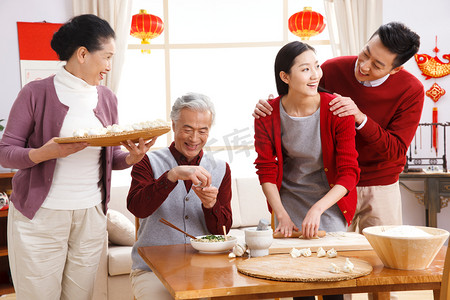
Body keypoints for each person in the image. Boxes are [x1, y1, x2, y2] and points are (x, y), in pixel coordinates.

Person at [0, 14, 156, 300]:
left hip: (90, 216)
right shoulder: (35, 93)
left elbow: (110, 156)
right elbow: (6, 152)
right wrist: (46, 153)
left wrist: (132, 158)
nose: (109, 66)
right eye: (107, 56)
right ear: (82, 53)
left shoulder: (107, 98)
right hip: (41, 217)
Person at [254, 22, 424, 234]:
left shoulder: (411, 90)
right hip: (331, 184)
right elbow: (301, 90)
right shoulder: (332, 69)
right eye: (365, 53)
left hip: (379, 185)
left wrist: (360, 118)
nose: (364, 66)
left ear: (396, 69)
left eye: (377, 65)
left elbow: (396, 151)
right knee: (336, 256)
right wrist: (273, 104)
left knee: (382, 256)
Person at [254, 41, 359, 300]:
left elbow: (349, 172)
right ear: (285, 76)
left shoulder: (338, 110)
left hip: (330, 203)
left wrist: (318, 209)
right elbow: (266, 169)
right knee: (300, 282)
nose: (315, 75)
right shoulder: (266, 115)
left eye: (317, 66)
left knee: (334, 280)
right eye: (305, 69)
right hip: (289, 204)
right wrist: (282, 213)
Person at [128, 92, 232, 300]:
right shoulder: (147, 161)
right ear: (174, 126)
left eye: (202, 131)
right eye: (187, 129)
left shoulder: (221, 168)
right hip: (151, 271)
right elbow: (137, 208)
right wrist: (171, 176)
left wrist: (211, 206)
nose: (194, 139)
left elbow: (223, 230)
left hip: (203, 270)